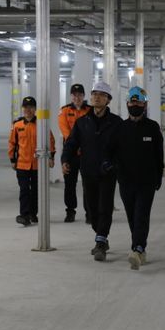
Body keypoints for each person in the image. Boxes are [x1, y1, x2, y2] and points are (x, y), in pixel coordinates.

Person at [104, 86, 164, 270]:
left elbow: (158, 154)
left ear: (145, 105)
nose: (135, 105)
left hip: (147, 181)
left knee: (141, 215)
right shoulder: (120, 128)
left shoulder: (152, 127)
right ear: (127, 104)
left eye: (139, 103)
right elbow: (109, 151)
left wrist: (159, 176)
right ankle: (139, 247)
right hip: (126, 180)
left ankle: (137, 248)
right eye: (132, 102)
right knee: (132, 216)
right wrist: (108, 164)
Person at [62, 82, 122, 261]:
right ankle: (100, 235)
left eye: (102, 95)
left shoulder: (116, 123)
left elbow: (122, 148)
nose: (97, 97)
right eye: (94, 94)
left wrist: (116, 165)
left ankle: (100, 241)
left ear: (108, 100)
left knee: (105, 207)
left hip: (108, 172)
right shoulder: (82, 122)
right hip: (88, 171)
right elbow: (72, 143)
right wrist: (65, 159)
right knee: (92, 209)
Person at [8, 97, 55, 226]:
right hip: (22, 164)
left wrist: (51, 157)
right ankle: (24, 215)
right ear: (22, 109)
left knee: (35, 191)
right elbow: (12, 143)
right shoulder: (17, 125)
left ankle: (33, 214)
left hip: (37, 164)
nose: (28, 110)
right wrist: (12, 159)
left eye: (31, 107)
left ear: (35, 109)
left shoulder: (41, 124)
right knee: (24, 190)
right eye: (26, 107)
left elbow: (50, 140)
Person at [58, 83, 91, 223]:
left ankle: (89, 212)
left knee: (88, 183)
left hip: (86, 152)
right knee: (69, 184)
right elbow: (65, 130)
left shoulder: (90, 110)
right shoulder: (64, 111)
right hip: (70, 152)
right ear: (71, 96)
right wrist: (75, 144)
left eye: (80, 95)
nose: (77, 98)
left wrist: (84, 145)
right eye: (74, 95)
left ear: (84, 96)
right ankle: (70, 211)